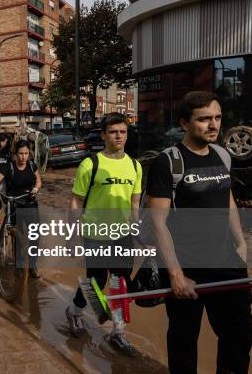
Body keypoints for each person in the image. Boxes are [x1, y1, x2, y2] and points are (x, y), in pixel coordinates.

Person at [147, 91, 252, 373]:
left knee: (240, 335)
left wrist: (241, 245)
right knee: (184, 341)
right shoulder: (167, 162)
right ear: (184, 123)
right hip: (187, 266)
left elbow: (227, 200)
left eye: (217, 118)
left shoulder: (221, 155)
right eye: (204, 119)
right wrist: (176, 274)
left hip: (226, 262)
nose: (213, 125)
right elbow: (158, 223)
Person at [66, 112, 142, 356]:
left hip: (123, 234)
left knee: (121, 283)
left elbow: (135, 202)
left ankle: (118, 332)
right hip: (95, 233)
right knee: (96, 280)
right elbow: (76, 202)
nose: (119, 136)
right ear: (104, 135)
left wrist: (138, 232)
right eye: (113, 132)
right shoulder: (91, 164)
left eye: (123, 132)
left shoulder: (135, 165)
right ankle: (75, 312)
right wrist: (71, 236)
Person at [0, 139, 41, 278]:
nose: (23, 157)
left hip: (30, 204)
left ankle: (32, 265)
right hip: (14, 205)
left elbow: (39, 180)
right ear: (15, 154)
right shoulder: (8, 166)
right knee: (18, 236)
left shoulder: (32, 165)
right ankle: (19, 265)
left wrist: (36, 188)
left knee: (34, 237)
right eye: (21, 153)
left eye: (26, 153)